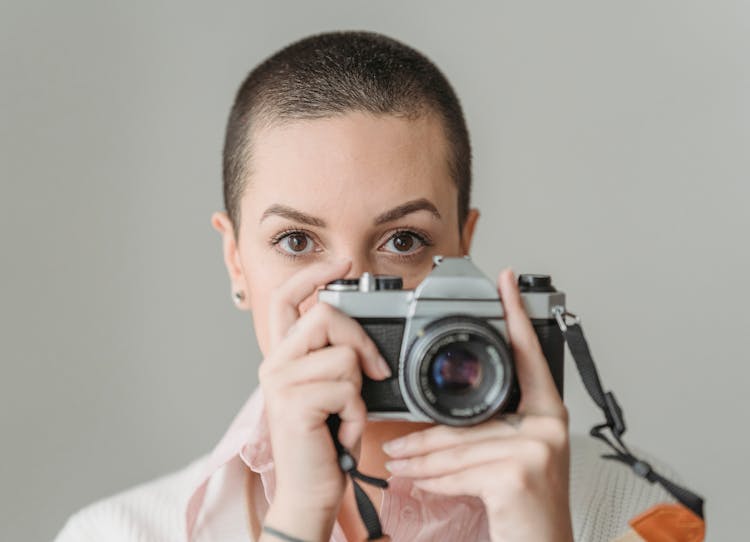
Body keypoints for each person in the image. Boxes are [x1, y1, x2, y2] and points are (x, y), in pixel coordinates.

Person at [55, 31, 677, 542]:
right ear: (235, 261)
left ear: (461, 248)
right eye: (297, 241)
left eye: (402, 240)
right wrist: (297, 517)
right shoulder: (114, 533)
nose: (346, 295)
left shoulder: (639, 511)